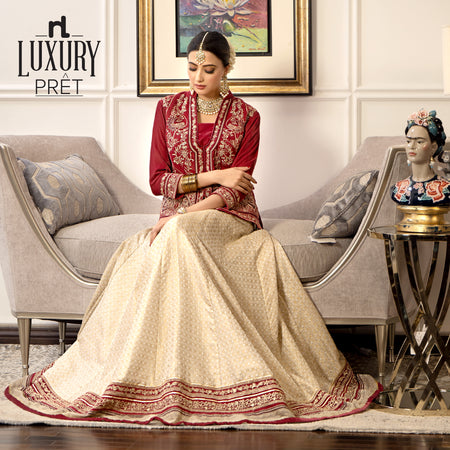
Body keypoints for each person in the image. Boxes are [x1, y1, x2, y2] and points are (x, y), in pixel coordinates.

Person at [5, 31, 380, 425]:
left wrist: (185, 214)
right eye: (191, 68)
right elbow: (158, 180)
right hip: (176, 216)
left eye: (209, 69)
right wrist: (214, 175)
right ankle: (150, 371)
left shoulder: (247, 116)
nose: (199, 77)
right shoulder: (167, 109)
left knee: (177, 234)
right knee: (166, 242)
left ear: (227, 68)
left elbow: (236, 189)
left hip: (229, 217)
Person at [391, 108, 450, 205]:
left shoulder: (445, 189)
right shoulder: (398, 189)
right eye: (408, 141)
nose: (412, 146)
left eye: (419, 142)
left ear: (433, 147)